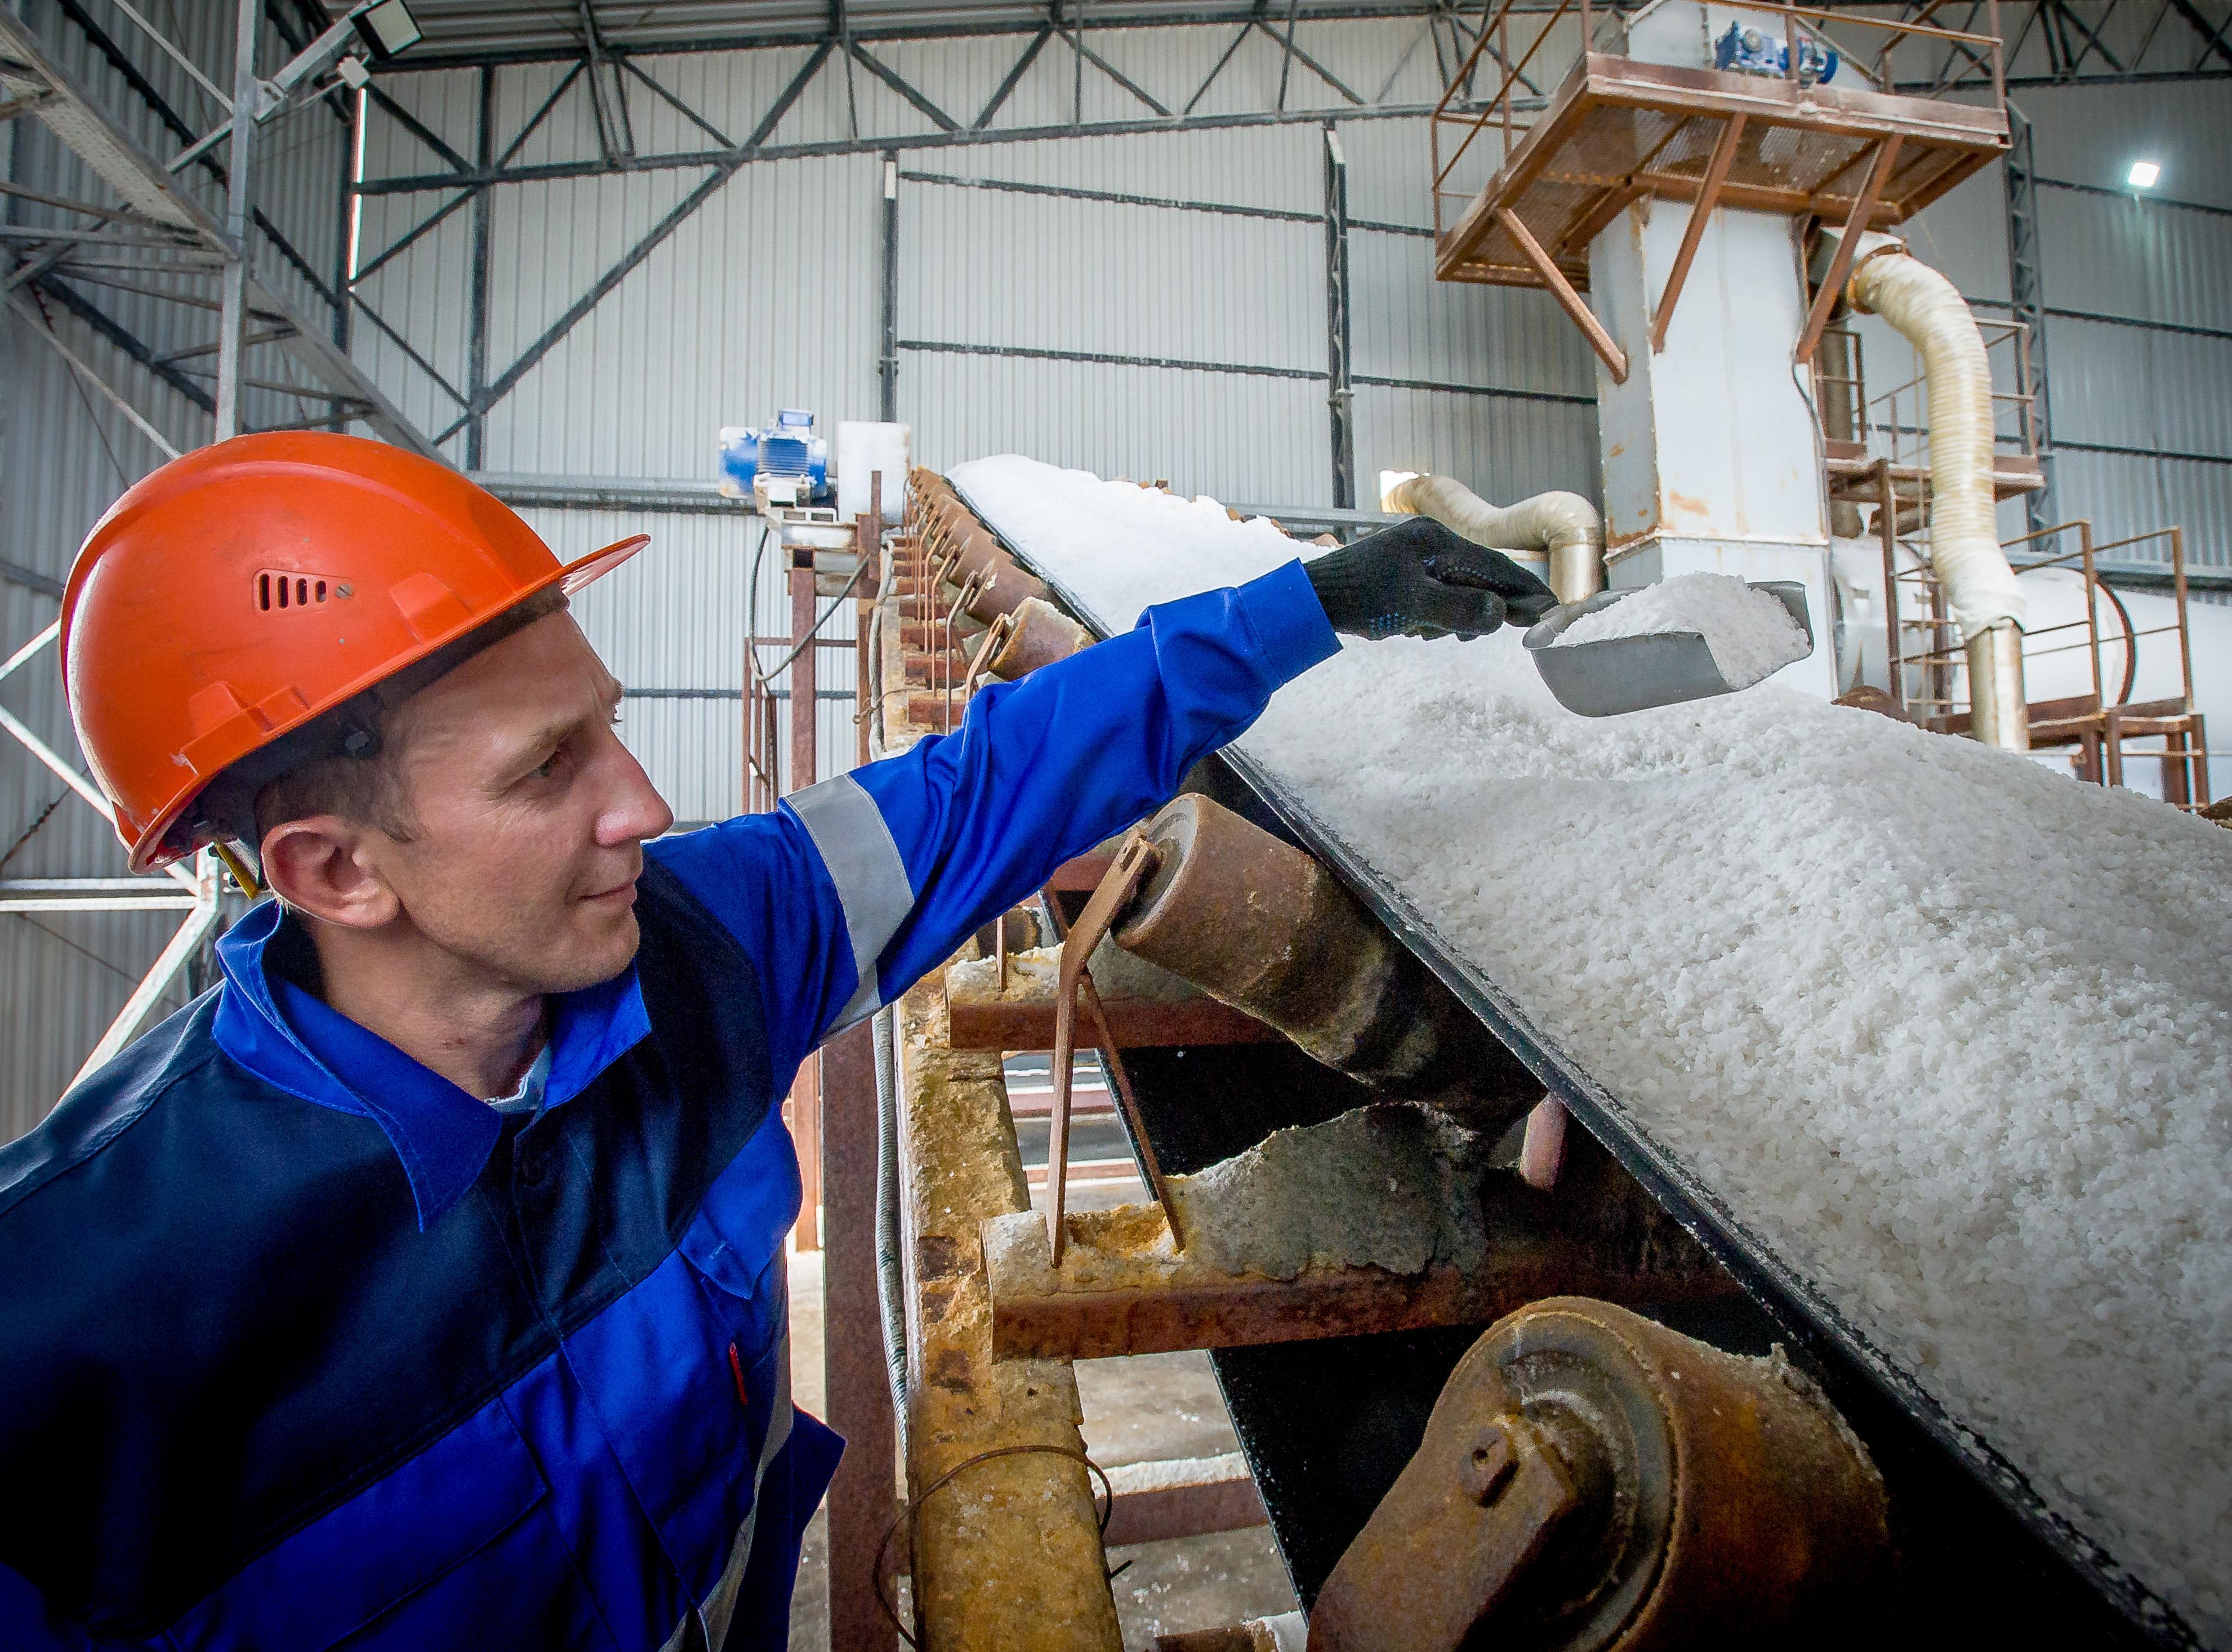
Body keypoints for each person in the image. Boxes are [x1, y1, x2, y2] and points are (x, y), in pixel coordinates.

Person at [0, 433, 1556, 1651]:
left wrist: (1308, 603)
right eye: (552, 770)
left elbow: (987, 789)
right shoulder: (75, 1322)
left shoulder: (698, 942)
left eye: (604, 724)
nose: (645, 803)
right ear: (337, 871)